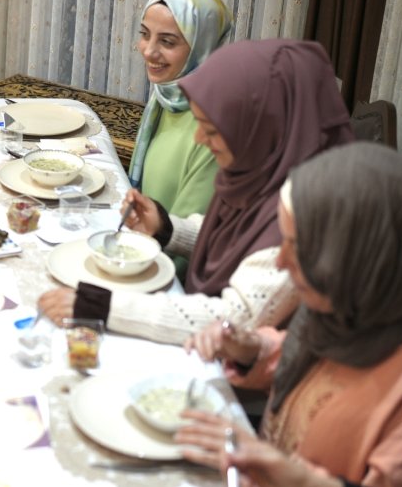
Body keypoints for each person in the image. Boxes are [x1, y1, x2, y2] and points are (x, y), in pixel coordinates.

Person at [178, 143, 402, 486]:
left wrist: (302, 481)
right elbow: (321, 372)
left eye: (297, 246)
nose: (280, 261)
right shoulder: (363, 303)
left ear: (361, 255)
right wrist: (251, 348)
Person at [38, 39, 353, 345]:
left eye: (213, 130)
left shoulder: (305, 214)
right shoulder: (265, 171)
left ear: (265, 128)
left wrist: (103, 306)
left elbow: (232, 320)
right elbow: (235, 238)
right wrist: (167, 227)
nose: (200, 138)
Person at [129, 0, 232, 224]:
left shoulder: (213, 126)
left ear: (203, 47)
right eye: (145, 34)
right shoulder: (167, 96)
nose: (148, 52)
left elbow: (190, 236)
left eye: (167, 42)